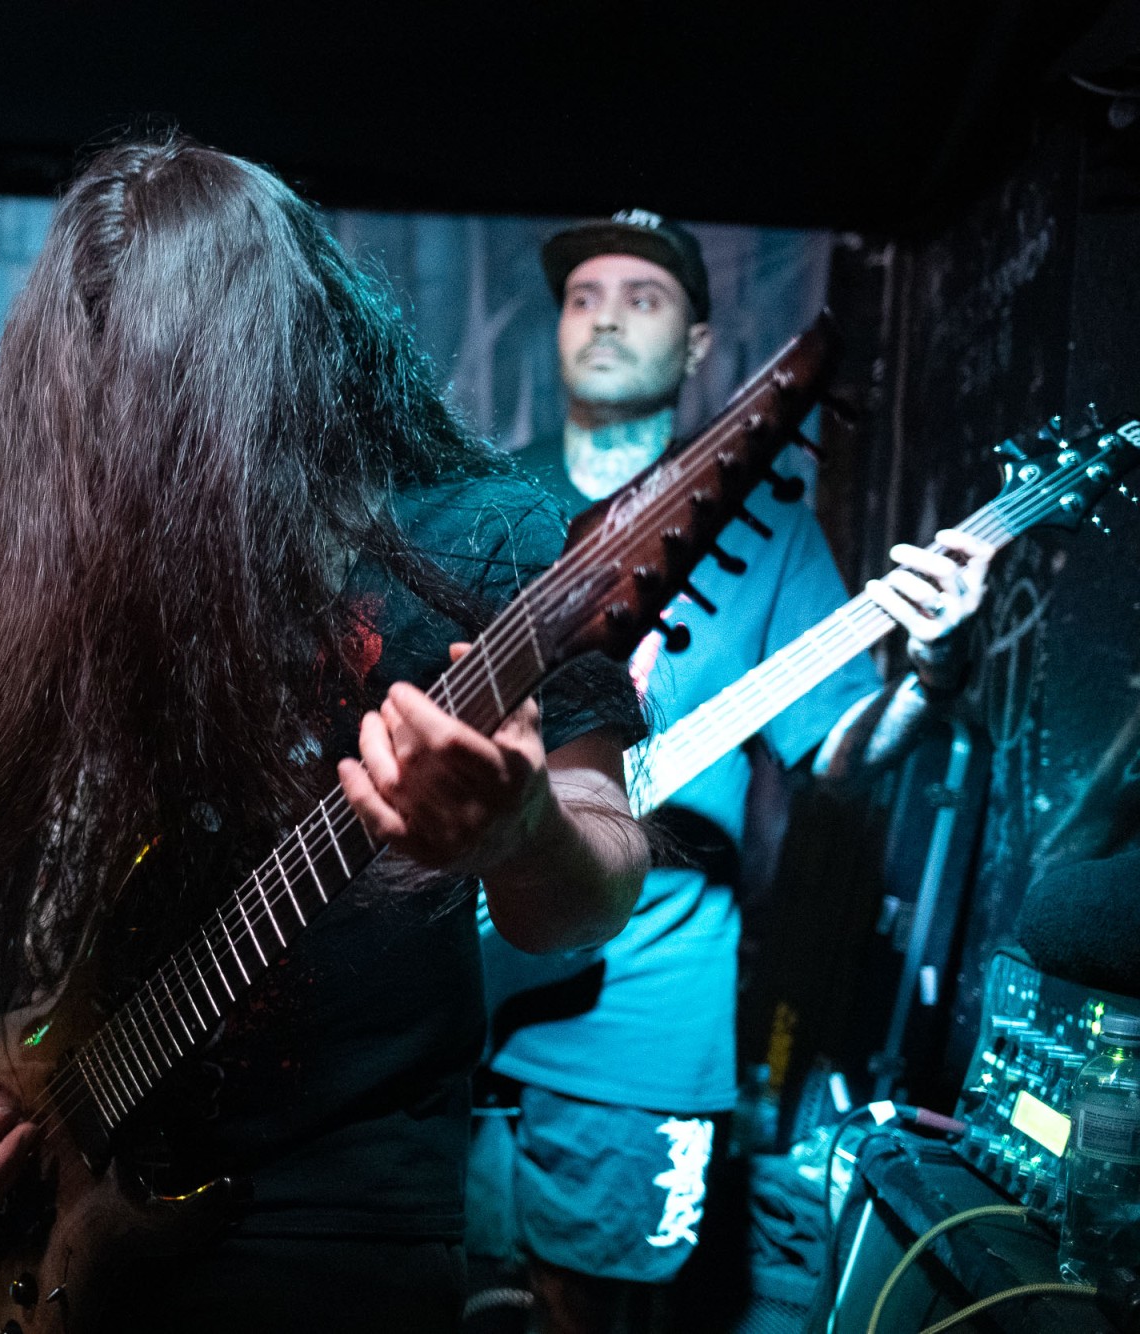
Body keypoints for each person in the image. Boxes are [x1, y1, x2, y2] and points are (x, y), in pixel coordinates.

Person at [0, 137, 652, 1331]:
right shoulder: (62, 568)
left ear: (275, 354)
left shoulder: (484, 543)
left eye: (162, 378)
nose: (126, 422)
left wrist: (522, 831)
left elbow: (585, 893)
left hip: (335, 1228)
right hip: (62, 1199)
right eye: (96, 383)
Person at [468, 209, 995, 1334]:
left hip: (643, 1009)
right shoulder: (487, 503)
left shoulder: (771, 528)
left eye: (642, 297)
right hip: (447, 989)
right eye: (582, 296)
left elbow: (838, 751)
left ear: (700, 344)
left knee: (590, 1316)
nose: (606, 317)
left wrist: (934, 673)